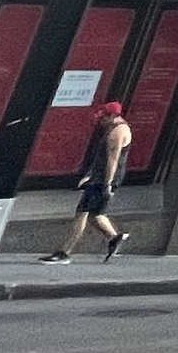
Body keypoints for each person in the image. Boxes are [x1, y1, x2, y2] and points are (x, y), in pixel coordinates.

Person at [42, 102, 132, 263]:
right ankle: (114, 237)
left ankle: (65, 253)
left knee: (83, 214)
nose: (101, 121)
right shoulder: (112, 128)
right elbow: (102, 158)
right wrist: (90, 174)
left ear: (113, 116)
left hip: (103, 179)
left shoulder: (117, 132)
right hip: (98, 178)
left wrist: (107, 184)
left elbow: (113, 159)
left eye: (104, 117)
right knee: (94, 214)